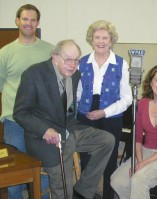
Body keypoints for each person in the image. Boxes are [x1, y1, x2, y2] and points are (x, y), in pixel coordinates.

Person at [13, 39, 115, 199]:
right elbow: (20, 112)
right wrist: (44, 130)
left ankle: (82, 190)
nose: (73, 65)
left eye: (76, 60)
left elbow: (69, 107)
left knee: (107, 140)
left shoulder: (74, 75)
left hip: (69, 129)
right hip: (44, 138)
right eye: (68, 59)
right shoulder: (34, 74)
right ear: (55, 57)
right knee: (63, 187)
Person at [0, 4, 54, 199]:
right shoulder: (5, 53)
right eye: (25, 19)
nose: (28, 23)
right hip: (14, 123)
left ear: (38, 22)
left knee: (44, 170)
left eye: (32, 20)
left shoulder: (50, 51)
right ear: (17, 21)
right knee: (14, 173)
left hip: (42, 124)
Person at [77, 20, 132, 199]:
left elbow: (127, 98)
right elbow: (77, 93)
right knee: (86, 158)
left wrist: (104, 112)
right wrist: (81, 109)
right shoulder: (82, 62)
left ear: (111, 40)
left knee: (109, 161)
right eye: (97, 37)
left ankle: (108, 196)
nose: (101, 41)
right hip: (85, 114)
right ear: (91, 40)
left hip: (111, 115)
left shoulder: (120, 64)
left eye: (105, 38)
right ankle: (87, 195)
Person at [110, 65, 157, 199]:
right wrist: (140, 159)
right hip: (145, 150)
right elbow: (137, 138)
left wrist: (144, 164)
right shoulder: (142, 104)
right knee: (117, 181)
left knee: (139, 179)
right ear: (150, 82)